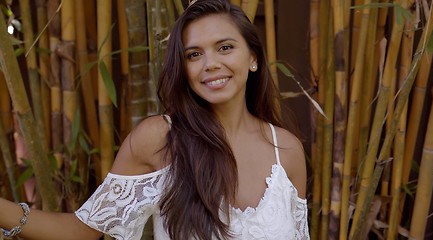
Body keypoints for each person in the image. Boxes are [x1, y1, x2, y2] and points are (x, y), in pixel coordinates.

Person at [0, 0, 309, 239]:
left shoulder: (288, 152)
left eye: (225, 48)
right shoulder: (161, 139)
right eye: (193, 55)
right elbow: (82, 231)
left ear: (253, 58)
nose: (210, 64)